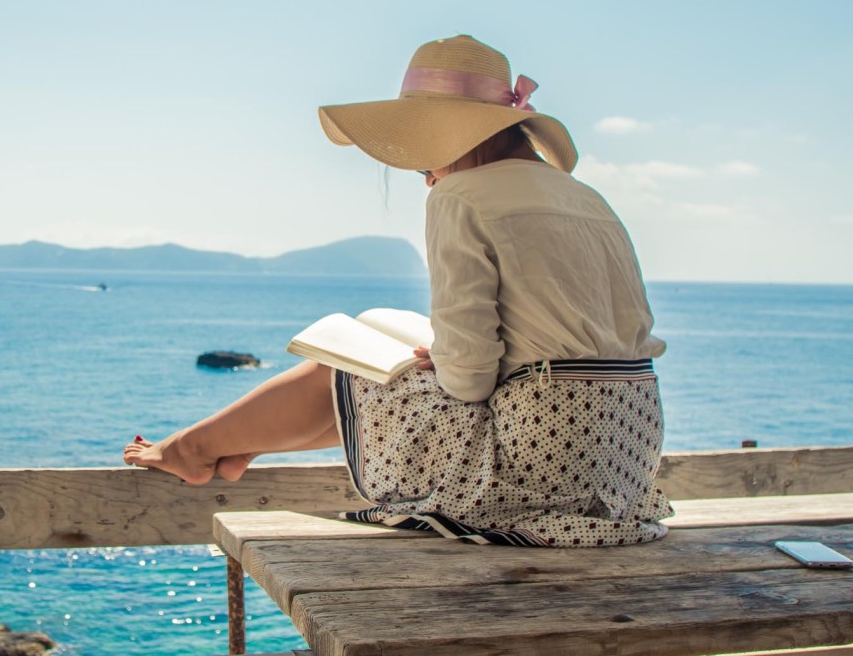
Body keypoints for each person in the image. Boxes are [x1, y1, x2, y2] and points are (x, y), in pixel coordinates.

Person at [123, 35, 672, 547]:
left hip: (539, 463)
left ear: (454, 135)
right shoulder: (586, 197)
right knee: (381, 324)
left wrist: (448, 365)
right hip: (625, 455)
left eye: (425, 152)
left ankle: (194, 447)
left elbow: (472, 380)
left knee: (343, 369)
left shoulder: (460, 196)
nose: (426, 173)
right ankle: (235, 442)